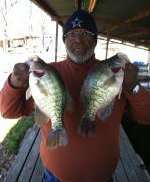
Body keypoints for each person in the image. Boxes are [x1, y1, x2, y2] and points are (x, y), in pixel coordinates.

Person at [0, 10, 150, 182]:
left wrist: (133, 88)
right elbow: (8, 111)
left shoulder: (118, 76)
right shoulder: (49, 74)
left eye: (86, 33)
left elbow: (146, 117)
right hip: (55, 177)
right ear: (64, 40)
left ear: (95, 40)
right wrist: (14, 83)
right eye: (71, 34)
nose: (78, 40)